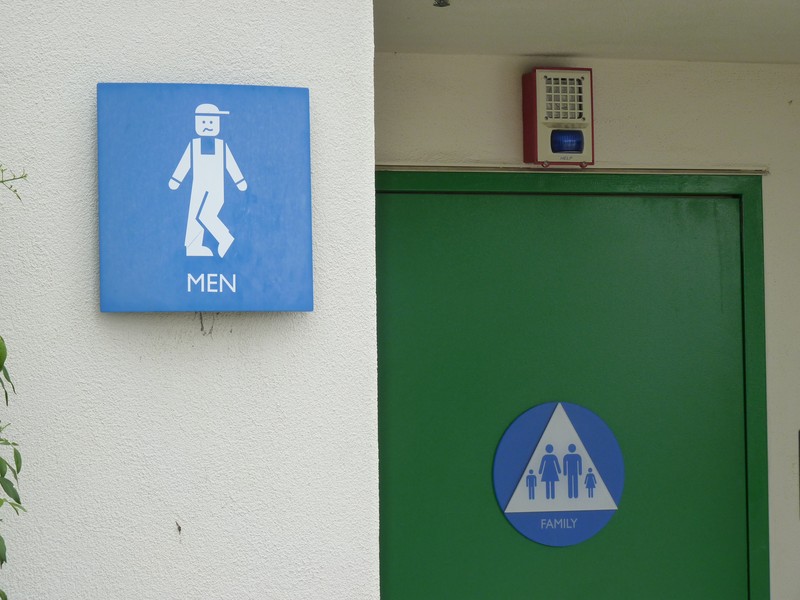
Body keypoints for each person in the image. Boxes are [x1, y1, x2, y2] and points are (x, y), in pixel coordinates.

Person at [169, 103, 247, 257]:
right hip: (198, 187)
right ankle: (193, 246)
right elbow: (185, 163)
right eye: (203, 122)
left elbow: (231, 164)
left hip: (216, 189)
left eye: (211, 122)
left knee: (206, 215)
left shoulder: (221, 146)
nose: (207, 126)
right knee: (194, 215)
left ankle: (225, 238)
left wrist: (240, 181)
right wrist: (176, 179)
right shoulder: (193, 145)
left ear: (217, 124)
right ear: (197, 124)